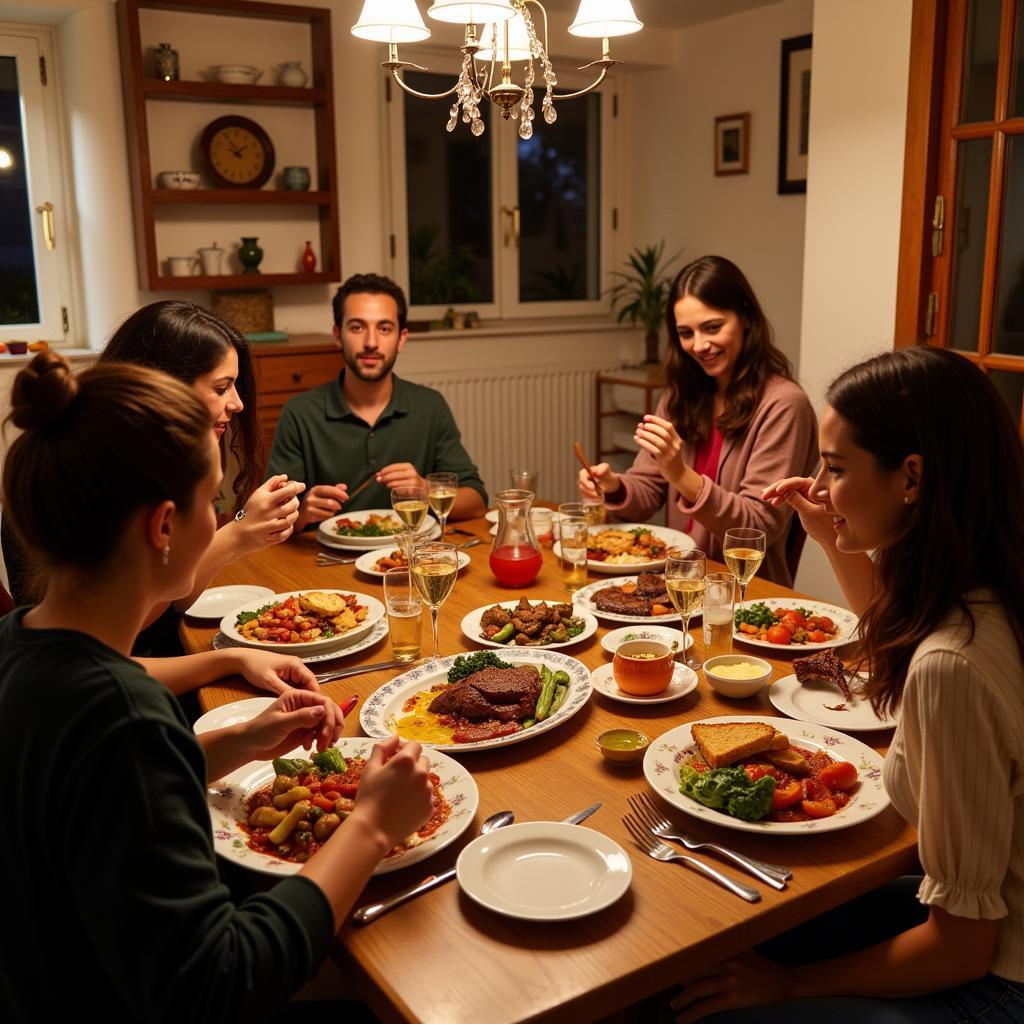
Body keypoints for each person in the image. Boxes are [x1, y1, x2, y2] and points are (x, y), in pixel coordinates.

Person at [0, 352, 434, 1018]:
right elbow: (217, 985)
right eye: (212, 502)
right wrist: (372, 825)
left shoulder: (23, 649)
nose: (220, 520)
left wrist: (240, 741)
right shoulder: (124, 719)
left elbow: (102, 801)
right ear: (164, 526)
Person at [670, 346, 1024, 1023]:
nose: (823, 489)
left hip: (999, 975)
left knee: (713, 999)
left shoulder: (953, 666)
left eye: (835, 469)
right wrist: (830, 534)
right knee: (745, 932)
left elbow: (961, 947)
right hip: (977, 916)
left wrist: (784, 988)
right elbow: (900, 633)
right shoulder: (986, 589)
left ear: (911, 477)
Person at [1, 300, 305, 660]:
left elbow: (177, 593)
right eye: (221, 387)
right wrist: (237, 534)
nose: (237, 403)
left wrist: (242, 537)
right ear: (166, 386)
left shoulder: (158, 462)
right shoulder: (87, 480)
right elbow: (102, 645)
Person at [578, 255, 817, 586]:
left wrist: (680, 474)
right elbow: (647, 491)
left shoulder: (784, 406)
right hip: (679, 582)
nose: (699, 345)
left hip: (744, 591)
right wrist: (614, 486)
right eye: (685, 333)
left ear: (746, 317)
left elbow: (755, 527)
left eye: (713, 327)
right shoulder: (681, 396)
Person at [267, 273, 487, 531]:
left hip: (409, 557)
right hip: (325, 561)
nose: (371, 343)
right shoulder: (300, 413)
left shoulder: (430, 406)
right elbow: (270, 522)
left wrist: (425, 488)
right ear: (338, 335)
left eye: (384, 329)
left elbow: (476, 502)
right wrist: (303, 513)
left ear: (401, 338)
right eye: (357, 327)